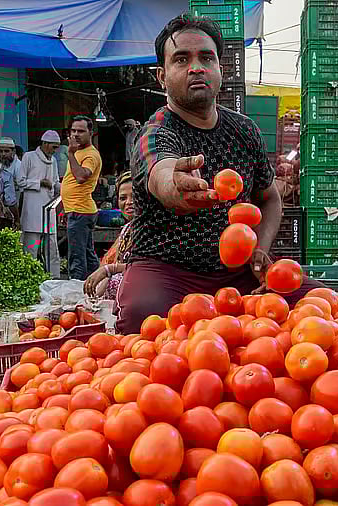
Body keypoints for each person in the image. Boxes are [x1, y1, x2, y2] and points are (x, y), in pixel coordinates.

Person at [114, 14, 325, 334]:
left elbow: (269, 199)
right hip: (167, 271)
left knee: (318, 305)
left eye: (206, 58)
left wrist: (260, 250)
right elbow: (160, 170)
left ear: (220, 72)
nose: (195, 67)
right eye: (181, 59)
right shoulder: (156, 130)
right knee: (143, 323)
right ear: (162, 76)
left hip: (236, 273)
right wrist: (175, 186)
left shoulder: (245, 130)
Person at [61, 115, 104, 280]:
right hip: (77, 210)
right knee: (86, 253)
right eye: (73, 131)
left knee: (77, 257)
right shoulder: (79, 152)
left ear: (91, 133)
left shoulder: (91, 155)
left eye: (81, 131)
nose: (76, 134)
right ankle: (96, 285)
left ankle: (77, 290)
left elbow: (81, 177)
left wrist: (70, 153)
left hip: (81, 211)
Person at [83, 171, 136, 301]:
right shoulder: (126, 230)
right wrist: (95, 300)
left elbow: (145, 268)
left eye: (134, 197)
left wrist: (108, 269)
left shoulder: (151, 229)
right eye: (123, 198)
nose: (129, 202)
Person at [20, 130, 62, 278]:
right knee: (31, 249)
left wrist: (67, 189)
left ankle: (54, 279)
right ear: (45, 144)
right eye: (54, 147)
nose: (55, 151)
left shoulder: (54, 161)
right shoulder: (29, 157)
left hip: (49, 209)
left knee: (52, 248)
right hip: (32, 210)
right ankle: (29, 279)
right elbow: (20, 181)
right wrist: (39, 183)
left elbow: (56, 182)